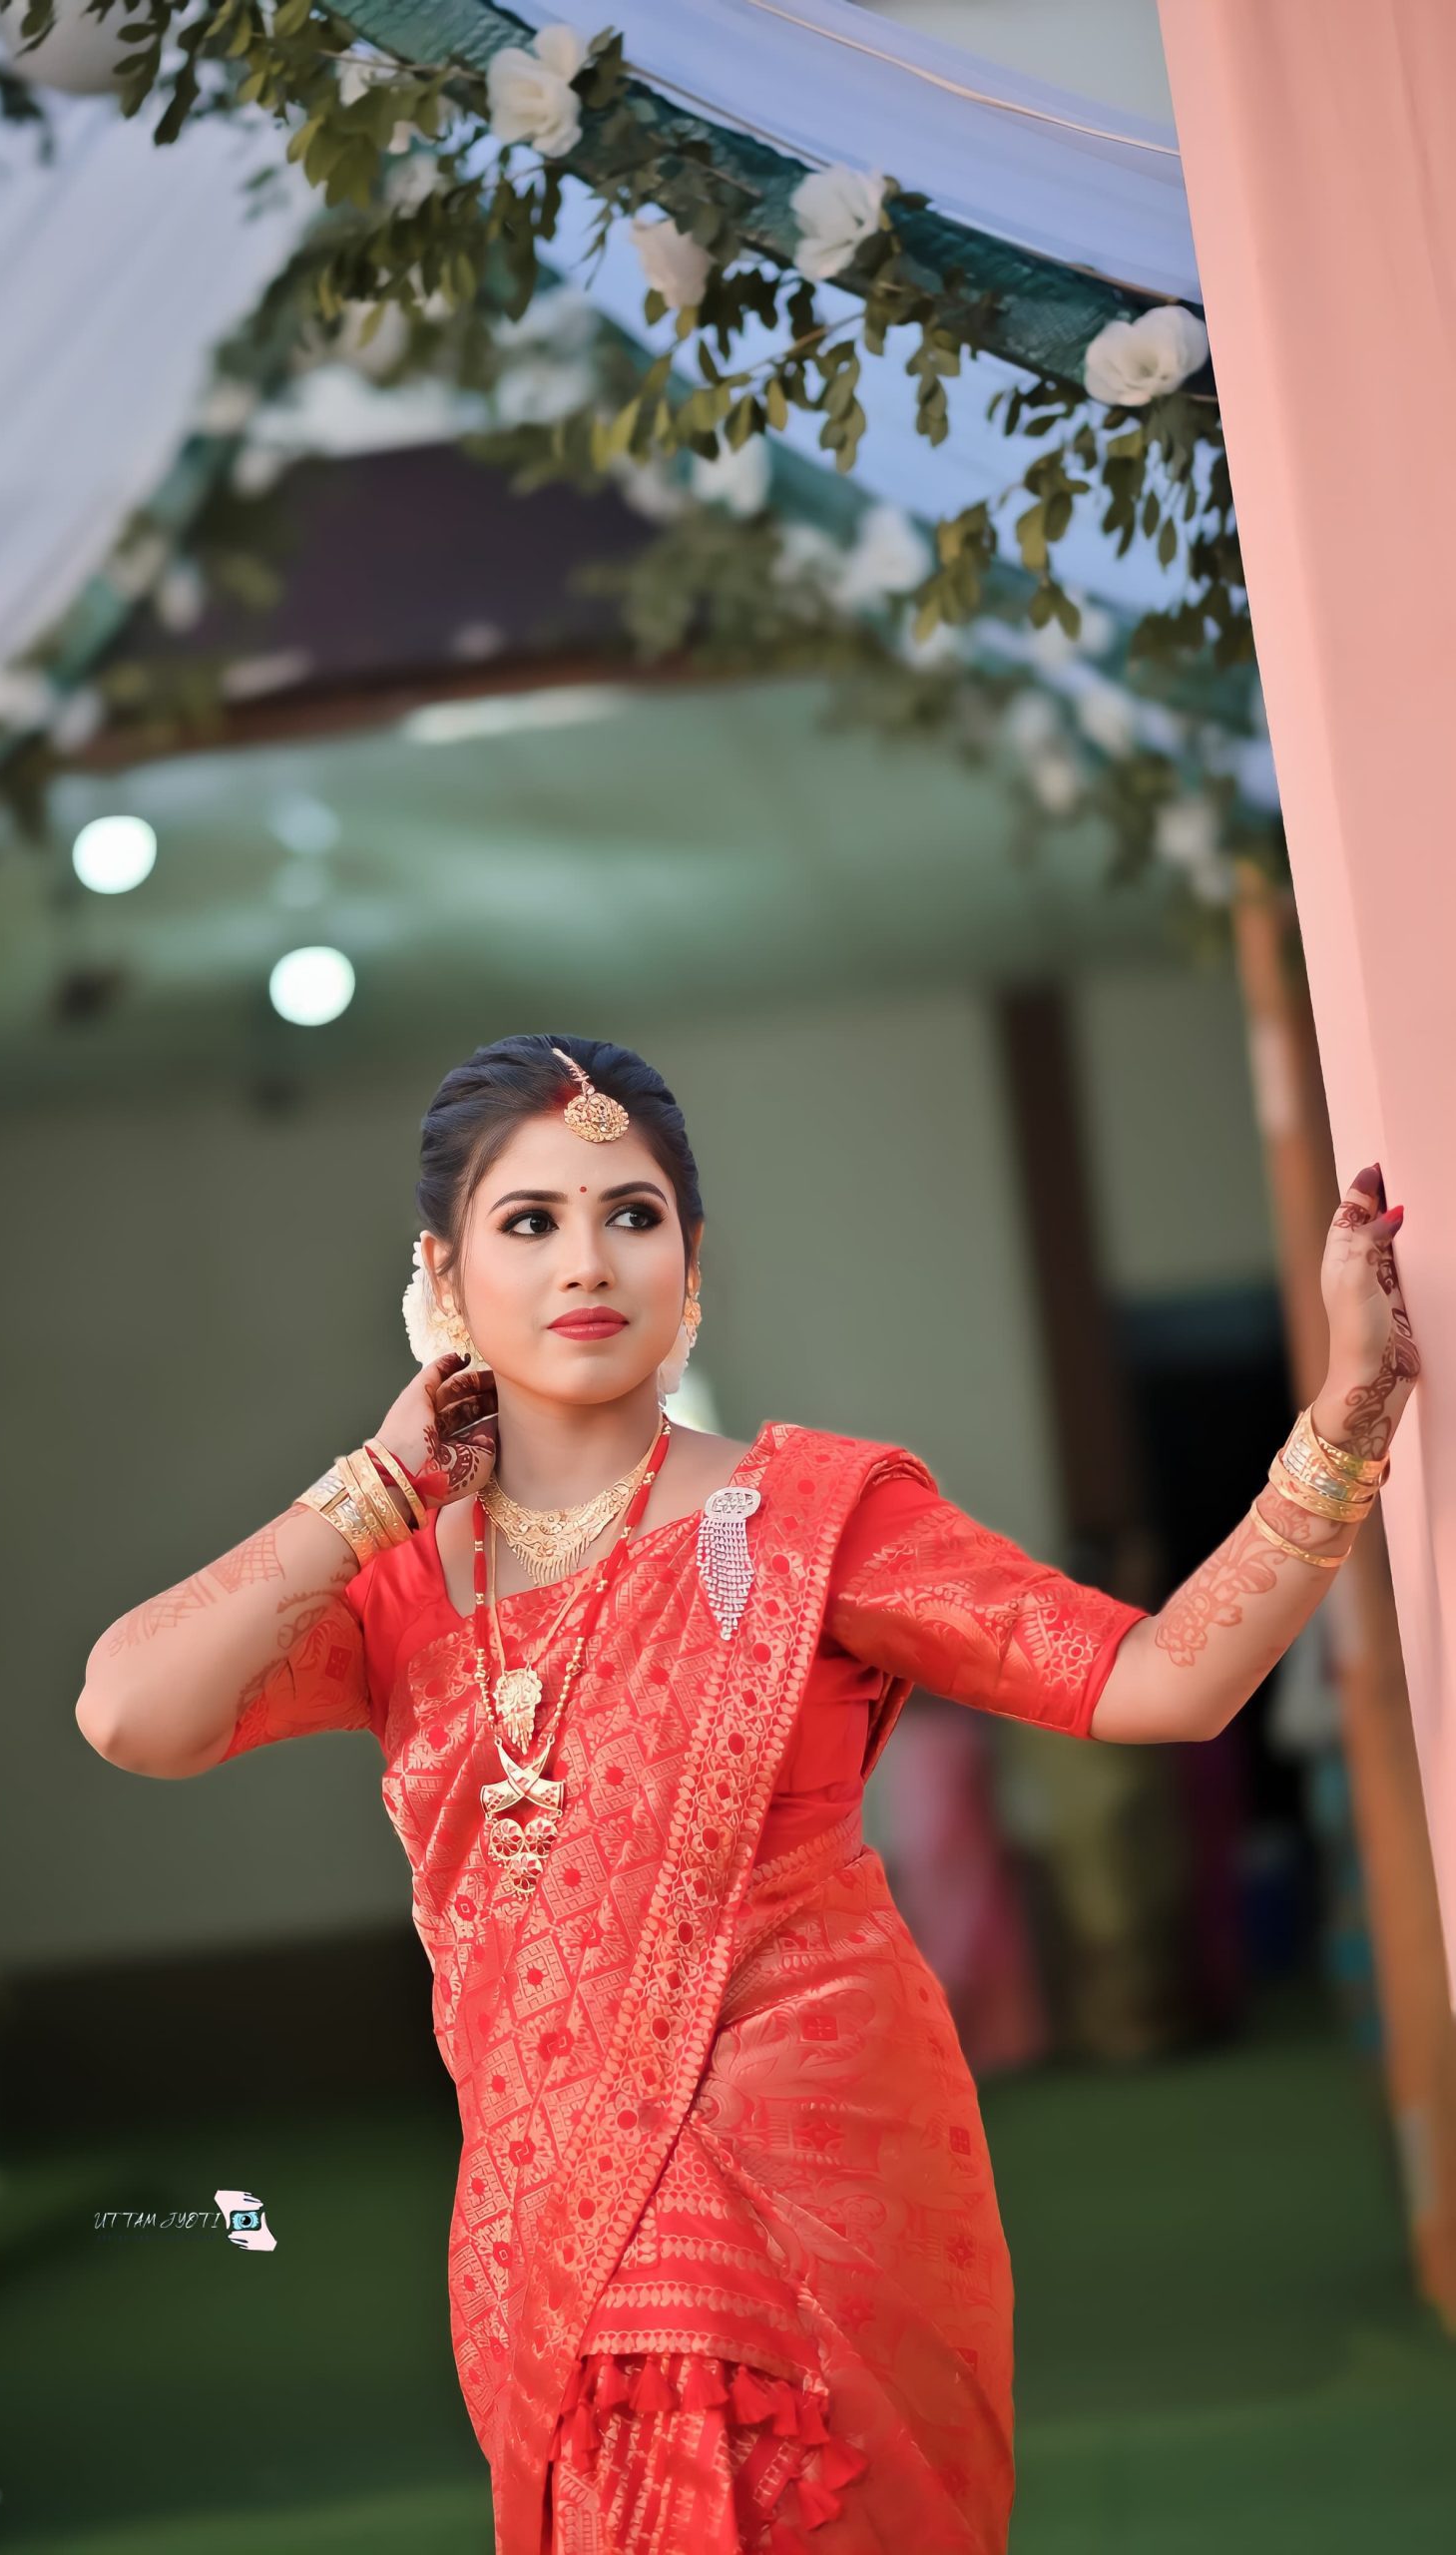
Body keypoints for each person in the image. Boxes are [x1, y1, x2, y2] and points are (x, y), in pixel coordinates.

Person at [74, 1033, 1418, 2555]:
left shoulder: (811, 1518)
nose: (588, 1260)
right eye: (529, 1222)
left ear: (691, 1259)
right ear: (441, 1277)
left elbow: (1162, 1678)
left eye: (631, 1215)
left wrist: (1346, 1416)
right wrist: (374, 1488)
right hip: (545, 2228)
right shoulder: (392, 1584)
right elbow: (129, 1712)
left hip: (805, 2195)